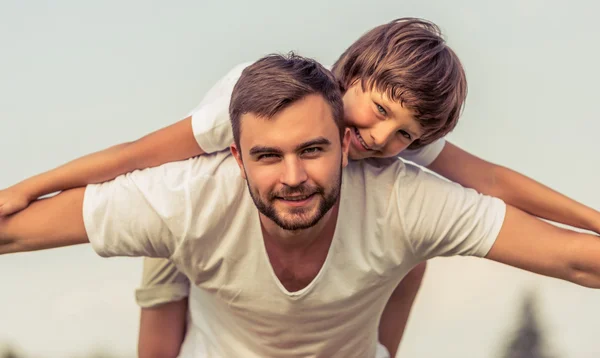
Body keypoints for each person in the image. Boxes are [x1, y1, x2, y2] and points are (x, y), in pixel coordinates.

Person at [1, 18, 599, 357]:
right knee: (165, 245)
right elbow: (134, 156)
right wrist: (27, 188)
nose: (381, 137)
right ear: (350, 75)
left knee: (409, 249)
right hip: (198, 228)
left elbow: (493, 181)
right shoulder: (231, 129)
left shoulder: (391, 155)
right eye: (380, 115)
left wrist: (593, 219)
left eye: (403, 135)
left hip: (350, 267)